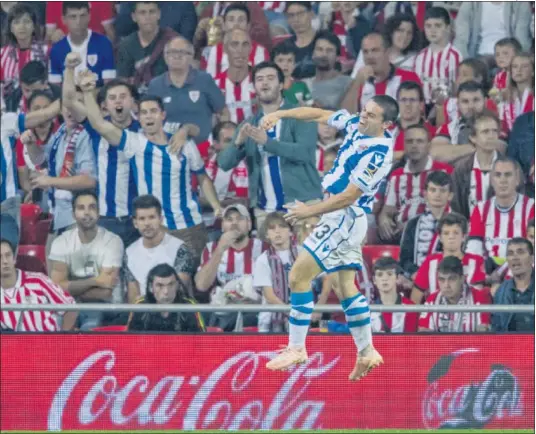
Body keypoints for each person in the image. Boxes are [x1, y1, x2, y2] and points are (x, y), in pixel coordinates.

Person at [260, 95, 400, 380]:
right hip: (344, 218)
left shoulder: (378, 154)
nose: (363, 117)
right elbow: (317, 114)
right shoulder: (355, 124)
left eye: (371, 116)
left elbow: (349, 196)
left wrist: (309, 210)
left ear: (386, 124)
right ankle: (366, 351)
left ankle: (296, 347)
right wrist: (281, 114)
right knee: (344, 286)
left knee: (298, 276)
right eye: (364, 111)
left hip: (344, 217)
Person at [79, 69, 221, 263]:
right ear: (138, 116)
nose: (148, 116)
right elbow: (99, 124)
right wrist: (88, 92)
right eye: (143, 113)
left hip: (189, 225)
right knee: (159, 284)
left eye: (153, 111)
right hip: (155, 230)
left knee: (193, 285)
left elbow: (202, 176)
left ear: (163, 115)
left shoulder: (184, 143)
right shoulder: (134, 142)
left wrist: (216, 206)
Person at [217, 61, 321, 235]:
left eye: (270, 78)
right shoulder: (248, 124)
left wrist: (268, 142)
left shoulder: (302, 115)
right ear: (254, 87)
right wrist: (238, 143)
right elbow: (224, 163)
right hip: (266, 212)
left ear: (281, 85)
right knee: (273, 262)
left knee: (308, 261)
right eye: (259, 79)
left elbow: (305, 153)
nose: (264, 83)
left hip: (304, 206)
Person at [62, 53, 141, 247]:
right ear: (104, 105)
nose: (118, 102)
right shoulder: (97, 127)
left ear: (133, 102)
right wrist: (69, 70)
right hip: (107, 217)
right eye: (112, 98)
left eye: (123, 97)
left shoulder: (145, 130)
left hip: (140, 218)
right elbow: (70, 101)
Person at [20, 88, 96, 239]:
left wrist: (50, 181)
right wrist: (31, 145)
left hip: (79, 218)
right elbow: (41, 160)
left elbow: (89, 180)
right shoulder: (61, 131)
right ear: (60, 110)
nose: (72, 109)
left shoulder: (87, 135)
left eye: (78, 104)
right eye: (68, 105)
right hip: (58, 215)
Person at [49, 190, 123, 330]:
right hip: (69, 304)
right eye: (81, 208)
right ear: (73, 214)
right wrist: (95, 281)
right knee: (54, 325)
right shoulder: (61, 242)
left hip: (105, 306)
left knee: (89, 326)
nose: (87, 212)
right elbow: (57, 288)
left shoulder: (112, 241)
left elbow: (105, 293)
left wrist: (71, 290)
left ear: (99, 212)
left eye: (92, 207)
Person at [378, 126, 453, 241]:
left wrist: (412, 226)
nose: (414, 146)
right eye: (409, 141)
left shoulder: (444, 172)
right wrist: (383, 219)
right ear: (404, 146)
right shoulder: (396, 175)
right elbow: (388, 210)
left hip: (434, 233)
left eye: (420, 141)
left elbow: (451, 211)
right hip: (400, 236)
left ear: (429, 146)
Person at [196, 204, 263, 329]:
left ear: (249, 224)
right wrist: (220, 249)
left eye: (240, 218)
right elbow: (201, 285)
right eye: (229, 219)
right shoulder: (212, 249)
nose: (234, 223)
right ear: (222, 226)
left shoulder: (263, 248)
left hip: (256, 311)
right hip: (223, 312)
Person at [147, 36, 226, 140]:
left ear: (191, 56)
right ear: (165, 56)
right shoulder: (155, 85)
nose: (177, 56)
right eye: (172, 52)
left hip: (202, 149)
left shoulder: (205, 80)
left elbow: (223, 112)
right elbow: (149, 119)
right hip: (167, 148)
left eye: (182, 52)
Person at [123, 195, 196, 302]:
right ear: (135, 223)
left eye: (152, 217)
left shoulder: (180, 249)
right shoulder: (129, 253)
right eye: (142, 219)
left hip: (177, 311)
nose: (147, 223)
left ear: (160, 219)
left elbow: (177, 292)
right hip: (145, 312)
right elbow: (133, 299)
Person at [466, 156, 535, 261]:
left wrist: (501, 272)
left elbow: (532, 252)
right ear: (492, 181)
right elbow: (474, 249)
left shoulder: (531, 208)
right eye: (498, 175)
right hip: (487, 272)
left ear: (517, 180)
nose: (503, 180)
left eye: (508, 175)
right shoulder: (480, 210)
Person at [0, 238, 77, 332]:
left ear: (14, 259)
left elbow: (71, 308)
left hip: (49, 343)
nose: (5, 261)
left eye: (8, 255)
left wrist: (63, 340)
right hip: (15, 346)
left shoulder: (39, 281)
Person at [411, 212, 486, 304]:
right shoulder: (430, 262)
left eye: (455, 233)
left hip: (467, 314)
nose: (451, 237)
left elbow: (479, 298)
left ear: (464, 236)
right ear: (440, 237)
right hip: (435, 314)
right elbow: (415, 298)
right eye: (446, 233)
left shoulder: (476, 261)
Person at [341, 32, 421, 114]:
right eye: (365, 52)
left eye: (375, 50)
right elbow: (346, 118)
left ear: (387, 52)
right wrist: (357, 83)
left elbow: (418, 116)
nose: (369, 56)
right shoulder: (359, 83)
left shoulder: (408, 78)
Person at [431, 81, 505, 163]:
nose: (471, 106)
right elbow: (435, 153)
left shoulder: (497, 124)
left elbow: (501, 147)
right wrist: (481, 147)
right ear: (458, 104)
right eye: (465, 101)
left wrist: (454, 150)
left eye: (476, 100)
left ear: (485, 102)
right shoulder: (448, 128)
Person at [399, 170, 453, 280]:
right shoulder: (413, 223)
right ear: (425, 194)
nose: (438, 195)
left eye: (443, 191)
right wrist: (415, 274)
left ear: (450, 195)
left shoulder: (458, 223)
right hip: (416, 281)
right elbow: (405, 259)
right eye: (433, 190)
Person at [48, 2, 116, 87]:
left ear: (89, 17)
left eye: (82, 16)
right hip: (68, 98)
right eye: (73, 17)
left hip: (97, 98)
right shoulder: (56, 50)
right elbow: (55, 89)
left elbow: (109, 86)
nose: (78, 22)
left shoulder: (103, 43)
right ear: (64, 20)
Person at [418, 256, 491, 332]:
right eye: (442, 280)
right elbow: (424, 333)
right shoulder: (431, 300)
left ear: (462, 279)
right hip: (440, 344)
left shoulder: (480, 297)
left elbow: (483, 332)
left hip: (471, 344)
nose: (446, 285)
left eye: (452, 279)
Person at [116, 2, 178, 91]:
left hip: (166, 95)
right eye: (142, 13)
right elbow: (123, 80)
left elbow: (181, 76)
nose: (147, 17)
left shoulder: (173, 41)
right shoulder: (126, 45)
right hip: (136, 97)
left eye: (152, 12)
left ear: (159, 14)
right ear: (134, 17)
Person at [451, 111, 501, 219]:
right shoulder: (461, 169)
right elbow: (456, 208)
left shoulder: (511, 167)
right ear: (473, 137)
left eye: (494, 131)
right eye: (485, 132)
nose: (491, 136)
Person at [128, 263, 205, 332]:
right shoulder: (140, 306)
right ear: (151, 287)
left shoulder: (189, 306)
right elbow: (129, 340)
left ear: (177, 285)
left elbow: (201, 340)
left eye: (171, 284)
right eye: (160, 285)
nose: (166, 291)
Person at [253, 212, 297, 333]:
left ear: (290, 231)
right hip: (271, 322)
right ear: (267, 235)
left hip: (301, 318)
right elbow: (269, 296)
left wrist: (319, 305)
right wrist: (292, 313)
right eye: (272, 228)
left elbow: (326, 278)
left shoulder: (303, 253)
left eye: (282, 226)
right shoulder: (263, 260)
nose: (277, 231)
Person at [200, 121, 248, 227]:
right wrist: (224, 202)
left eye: (237, 138)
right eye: (228, 141)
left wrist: (214, 201)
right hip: (204, 223)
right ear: (216, 144)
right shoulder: (202, 165)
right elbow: (196, 199)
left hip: (236, 224)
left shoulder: (250, 166)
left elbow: (244, 202)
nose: (235, 144)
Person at [201, 3, 269, 78]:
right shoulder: (213, 52)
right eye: (231, 20)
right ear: (223, 25)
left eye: (241, 20)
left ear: (248, 25)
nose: (236, 24)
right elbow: (209, 84)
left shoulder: (260, 51)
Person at [414, 6, 462, 106]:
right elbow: (417, 86)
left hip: (447, 107)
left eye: (438, 25)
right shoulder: (420, 57)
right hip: (423, 106)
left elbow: (456, 88)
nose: (433, 30)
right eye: (428, 26)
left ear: (448, 28)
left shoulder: (455, 56)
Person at [0, 3, 48, 97]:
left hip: (40, 105)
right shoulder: (2, 55)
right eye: (17, 22)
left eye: (26, 21)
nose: (22, 26)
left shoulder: (47, 52)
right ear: (11, 28)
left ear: (34, 26)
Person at [454, 2, 532, 59]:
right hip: (478, 57)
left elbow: (522, 41)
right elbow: (460, 40)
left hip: (510, 58)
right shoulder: (470, 4)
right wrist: (467, 63)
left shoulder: (521, 4)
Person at [491, 238, 534, 332]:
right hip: (510, 344)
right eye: (510, 253)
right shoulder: (501, 291)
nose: (515, 257)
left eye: (520, 252)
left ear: (532, 258)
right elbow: (496, 327)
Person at [213, 28, 255, 125]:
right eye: (234, 44)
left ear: (251, 48)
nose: (240, 50)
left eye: (245, 45)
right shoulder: (214, 85)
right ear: (225, 49)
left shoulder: (260, 83)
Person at [370, 257, 418, 333]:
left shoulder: (410, 308)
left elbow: (412, 342)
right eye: (380, 275)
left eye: (389, 274)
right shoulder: (369, 311)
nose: (384, 278)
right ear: (374, 280)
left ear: (397, 278)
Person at [391, 80, 435, 160]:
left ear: (421, 105)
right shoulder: (386, 131)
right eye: (403, 100)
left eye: (412, 100)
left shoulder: (432, 132)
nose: (407, 104)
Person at [309, 31, 352, 109]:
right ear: (312, 54)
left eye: (329, 50)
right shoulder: (304, 85)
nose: (324, 54)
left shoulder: (348, 83)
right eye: (319, 49)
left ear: (337, 57)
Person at [114, 1, 197, 42]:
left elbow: (186, 41)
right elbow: (122, 31)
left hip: (170, 61)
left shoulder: (185, 5)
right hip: (138, 62)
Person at [45, 1, 115, 44]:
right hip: (65, 52)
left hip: (94, 51)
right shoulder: (53, 2)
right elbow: (48, 37)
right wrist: (53, 36)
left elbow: (111, 34)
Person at [499, 53, 534, 133]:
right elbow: (502, 126)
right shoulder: (505, 96)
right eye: (515, 67)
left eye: (524, 66)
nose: (519, 70)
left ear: (533, 72)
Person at [283, 2, 317, 79]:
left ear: (311, 14)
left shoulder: (326, 40)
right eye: (291, 15)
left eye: (301, 14)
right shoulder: (283, 48)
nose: (296, 19)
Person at [271, 42, 312, 106]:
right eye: (280, 60)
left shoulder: (301, 85)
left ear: (295, 65)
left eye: (289, 60)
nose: (285, 64)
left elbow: (311, 105)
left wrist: (306, 107)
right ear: (273, 64)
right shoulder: (269, 87)